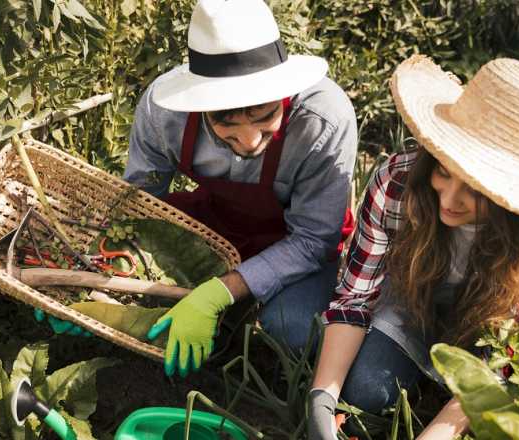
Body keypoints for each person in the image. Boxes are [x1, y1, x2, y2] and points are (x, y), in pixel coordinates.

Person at [307, 55, 519, 439]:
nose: (450, 200)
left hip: (492, 328)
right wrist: (322, 397)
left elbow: (510, 355)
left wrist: (439, 433)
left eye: (475, 189)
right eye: (442, 171)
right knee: (366, 390)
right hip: (414, 304)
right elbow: (355, 296)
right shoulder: (398, 183)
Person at [115, 0, 357, 378]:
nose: (248, 140)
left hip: (297, 240)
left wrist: (220, 292)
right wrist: (95, 272)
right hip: (217, 221)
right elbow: (142, 204)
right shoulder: (163, 112)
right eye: (225, 123)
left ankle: (241, 310)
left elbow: (314, 239)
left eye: (264, 118)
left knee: (292, 331)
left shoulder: (324, 119)